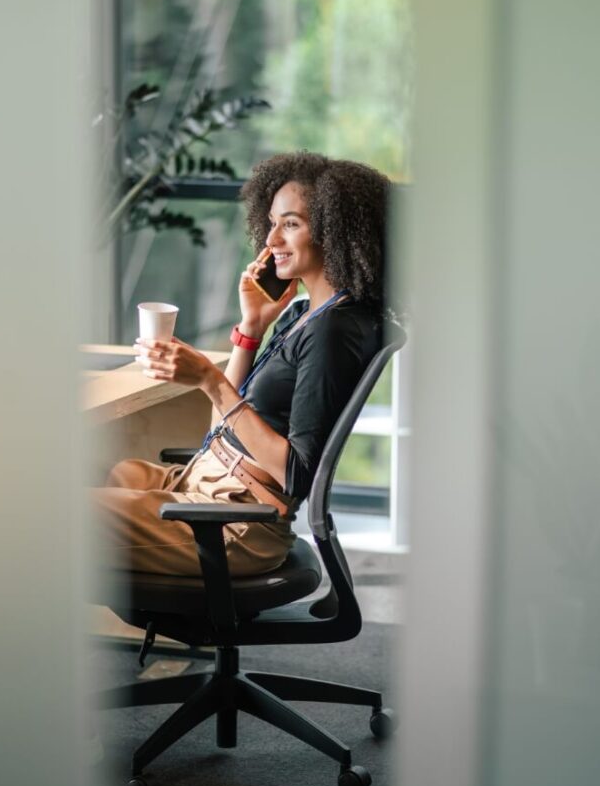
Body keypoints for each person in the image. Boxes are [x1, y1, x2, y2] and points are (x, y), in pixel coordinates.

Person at [93, 151, 389, 579]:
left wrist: (210, 380)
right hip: (214, 485)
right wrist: (251, 328)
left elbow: (294, 475)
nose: (271, 242)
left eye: (290, 224)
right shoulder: (304, 314)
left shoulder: (334, 331)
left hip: (238, 524)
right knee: (122, 473)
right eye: (271, 223)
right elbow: (220, 430)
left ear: (334, 232)